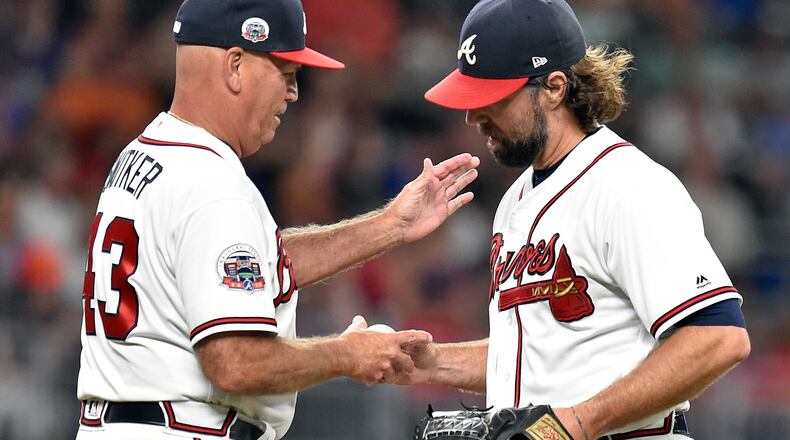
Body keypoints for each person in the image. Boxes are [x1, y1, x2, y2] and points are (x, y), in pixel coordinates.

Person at [75, 1, 480, 439]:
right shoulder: (212, 183)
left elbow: (246, 264)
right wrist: (347, 355)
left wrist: (390, 225)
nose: (293, 94)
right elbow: (234, 361)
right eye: (285, 74)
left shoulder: (147, 153)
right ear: (235, 66)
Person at [392, 1, 751, 439]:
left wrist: (575, 423)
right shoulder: (514, 200)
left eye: (491, 98)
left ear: (555, 87)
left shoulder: (627, 185)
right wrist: (435, 364)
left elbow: (718, 337)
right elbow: (545, 353)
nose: (473, 116)